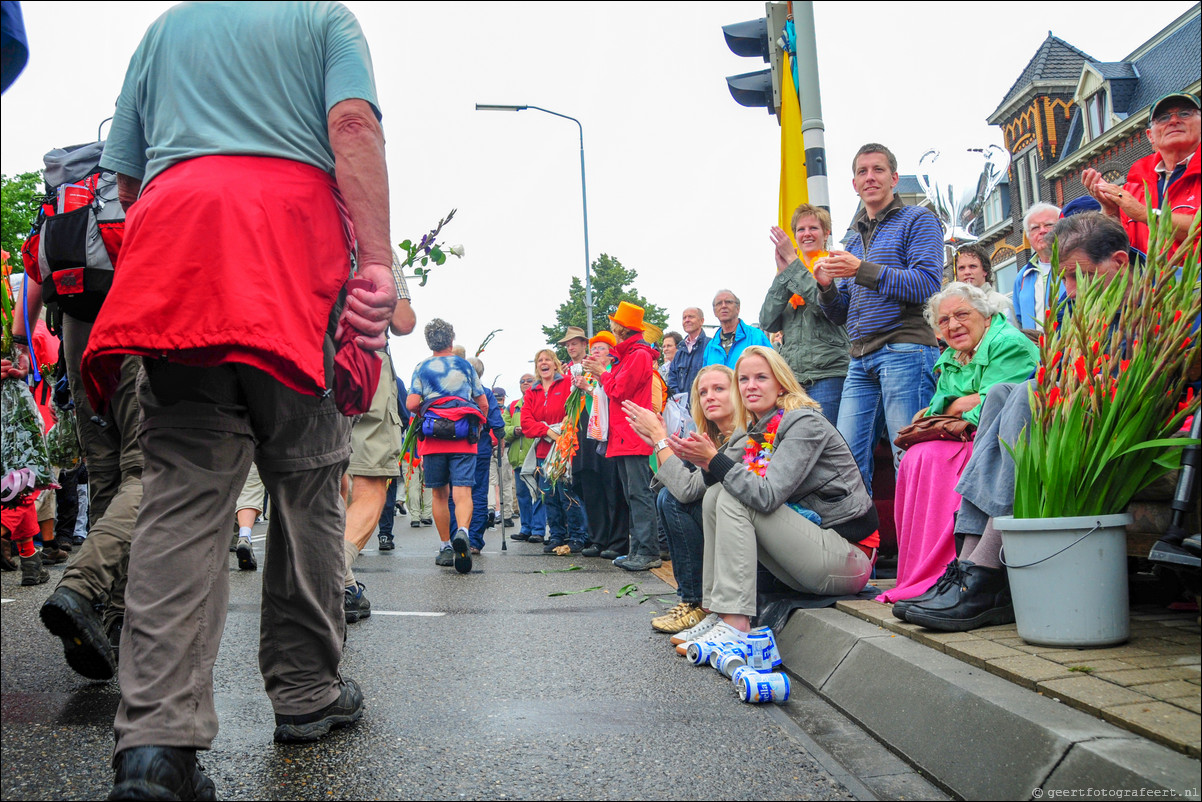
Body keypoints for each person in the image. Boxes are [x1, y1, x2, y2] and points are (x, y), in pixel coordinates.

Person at [75, 4, 398, 795]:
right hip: (290, 249)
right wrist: (380, 261)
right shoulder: (325, 19)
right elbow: (351, 126)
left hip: (178, 243)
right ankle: (307, 692)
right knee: (310, 476)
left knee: (181, 493)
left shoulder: (164, 31)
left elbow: (126, 176)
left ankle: (156, 744)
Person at [902, 213, 1133, 632]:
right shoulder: (1076, 304)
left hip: (1123, 415)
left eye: (1079, 276)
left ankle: (986, 572)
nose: (1071, 290)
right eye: (1064, 279)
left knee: (1025, 396)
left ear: (1118, 262)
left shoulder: (1150, 301)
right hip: (1081, 406)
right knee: (1003, 394)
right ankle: (968, 564)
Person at [663, 346, 880, 647]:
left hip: (848, 559)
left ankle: (737, 625)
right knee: (715, 494)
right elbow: (701, 488)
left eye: (761, 377)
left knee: (730, 497)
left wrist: (714, 460)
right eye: (743, 379)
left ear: (780, 383)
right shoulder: (756, 430)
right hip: (808, 553)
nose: (751, 386)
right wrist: (706, 462)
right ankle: (719, 611)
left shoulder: (804, 422)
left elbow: (767, 496)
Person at [876, 282, 1038, 606]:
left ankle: (957, 568)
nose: (953, 325)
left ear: (985, 314)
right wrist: (956, 404)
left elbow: (991, 408)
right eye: (945, 320)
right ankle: (922, 574)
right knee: (915, 457)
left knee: (934, 457)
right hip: (962, 434)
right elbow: (936, 408)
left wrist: (955, 405)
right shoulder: (952, 355)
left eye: (962, 314)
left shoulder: (1006, 344)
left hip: (998, 438)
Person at [816, 143, 944, 490]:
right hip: (859, 358)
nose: (869, 177)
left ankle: (919, 544)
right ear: (854, 183)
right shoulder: (853, 239)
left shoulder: (919, 220)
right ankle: (863, 543)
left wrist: (861, 270)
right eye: (862, 171)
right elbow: (840, 312)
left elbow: (927, 284)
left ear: (895, 178)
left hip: (905, 349)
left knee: (910, 459)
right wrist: (827, 287)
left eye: (878, 170)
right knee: (845, 463)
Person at [623, 365, 738, 634]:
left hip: (752, 534)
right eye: (703, 392)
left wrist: (660, 440)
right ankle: (694, 600)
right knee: (668, 497)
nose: (710, 396)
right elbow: (686, 483)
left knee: (672, 500)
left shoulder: (741, 436)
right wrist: (659, 442)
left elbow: (685, 490)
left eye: (719, 389)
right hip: (730, 526)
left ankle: (697, 601)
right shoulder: (716, 436)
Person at [583, 301, 663, 571]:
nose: (612, 328)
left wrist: (602, 373)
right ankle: (638, 549)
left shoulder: (638, 355)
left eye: (615, 325)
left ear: (621, 328)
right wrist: (604, 372)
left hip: (632, 431)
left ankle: (648, 550)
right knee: (632, 494)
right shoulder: (630, 354)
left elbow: (620, 390)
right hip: (624, 431)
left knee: (638, 493)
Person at [407, 319, 487, 572]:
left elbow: (411, 404)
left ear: (429, 342)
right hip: (463, 435)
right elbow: (482, 401)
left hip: (433, 438)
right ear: (451, 341)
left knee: (439, 494)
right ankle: (463, 531)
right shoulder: (464, 366)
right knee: (462, 492)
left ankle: (445, 547)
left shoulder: (422, 367)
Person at [761, 203, 851, 424]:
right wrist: (783, 274)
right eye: (801, 229)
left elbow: (826, 306)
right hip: (793, 379)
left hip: (828, 375)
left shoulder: (837, 264)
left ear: (826, 233)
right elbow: (767, 321)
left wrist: (792, 265)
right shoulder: (791, 272)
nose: (807, 234)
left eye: (814, 228)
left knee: (827, 442)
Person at [1083, 92, 1200, 260]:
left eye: (1185, 114)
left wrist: (1144, 214)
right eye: (1163, 118)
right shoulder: (1133, 187)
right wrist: (1110, 211)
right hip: (1148, 286)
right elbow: (1116, 252)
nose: (1174, 121)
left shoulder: (1131, 199)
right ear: (1150, 136)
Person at [343, 340, 411, 624]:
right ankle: (338, 574)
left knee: (327, 478)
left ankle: (334, 580)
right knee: (370, 488)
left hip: (301, 347)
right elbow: (402, 320)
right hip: (362, 358)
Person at [521, 348, 587, 552]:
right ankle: (557, 535)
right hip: (543, 451)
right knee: (549, 495)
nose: (544, 363)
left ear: (555, 363)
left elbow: (575, 411)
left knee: (568, 493)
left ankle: (577, 536)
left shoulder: (567, 383)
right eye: (540, 360)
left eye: (547, 359)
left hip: (565, 449)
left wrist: (561, 433)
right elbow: (526, 423)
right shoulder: (532, 391)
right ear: (537, 366)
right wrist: (549, 432)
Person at [577, 330, 630, 558]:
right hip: (590, 437)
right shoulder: (585, 375)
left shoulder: (613, 372)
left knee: (613, 488)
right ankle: (599, 538)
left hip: (611, 436)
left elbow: (614, 396)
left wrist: (588, 389)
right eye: (593, 348)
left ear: (611, 354)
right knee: (593, 488)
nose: (594, 352)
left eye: (600, 348)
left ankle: (618, 541)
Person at [445, 357, 505, 555]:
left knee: (457, 494)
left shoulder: (454, 392)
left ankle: (457, 535)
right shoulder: (486, 393)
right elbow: (497, 424)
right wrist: (501, 443)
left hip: (457, 448)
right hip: (480, 448)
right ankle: (475, 541)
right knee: (478, 494)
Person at [505, 374, 545, 543]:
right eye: (522, 381)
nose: (526, 383)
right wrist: (514, 430)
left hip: (536, 455)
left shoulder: (541, 401)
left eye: (530, 380)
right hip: (518, 457)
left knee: (537, 493)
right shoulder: (513, 406)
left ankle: (538, 529)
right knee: (522, 494)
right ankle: (526, 527)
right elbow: (503, 429)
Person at [1011, 202, 1063, 330]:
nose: (1042, 231)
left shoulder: (1074, 267)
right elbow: (1019, 320)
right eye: (1035, 228)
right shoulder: (1023, 276)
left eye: (1049, 225)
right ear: (1028, 237)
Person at [377, 372, 413, 548]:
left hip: (359, 442)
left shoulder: (357, 372)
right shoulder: (395, 381)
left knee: (357, 490)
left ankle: (352, 538)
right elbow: (405, 415)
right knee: (387, 489)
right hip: (386, 441)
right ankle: (384, 535)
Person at [702, 290, 772, 368]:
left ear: (738, 308)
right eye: (719, 303)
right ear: (714, 312)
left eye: (728, 302)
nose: (723, 306)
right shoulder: (711, 347)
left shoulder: (756, 336)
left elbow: (772, 368)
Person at [668, 307, 710, 402]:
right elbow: (672, 380)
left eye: (691, 317)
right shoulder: (679, 351)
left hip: (703, 404)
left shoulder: (710, 346)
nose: (687, 320)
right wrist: (680, 399)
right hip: (682, 409)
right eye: (684, 318)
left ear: (701, 321)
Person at [487, 386, 515, 529]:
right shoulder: (505, 412)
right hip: (503, 448)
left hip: (489, 447)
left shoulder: (488, 410)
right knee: (506, 482)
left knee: (492, 482)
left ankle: (491, 508)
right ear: (503, 398)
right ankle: (507, 515)